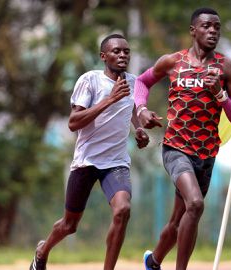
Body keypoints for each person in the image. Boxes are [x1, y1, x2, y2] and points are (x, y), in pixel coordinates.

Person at [134, 7, 231, 270]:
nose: (212, 32)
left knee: (180, 219)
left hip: (206, 153)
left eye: (217, 28)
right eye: (207, 26)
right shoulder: (173, 62)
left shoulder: (226, 67)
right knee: (195, 205)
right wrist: (141, 110)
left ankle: (152, 262)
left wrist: (219, 94)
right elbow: (141, 83)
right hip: (176, 147)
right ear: (193, 30)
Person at [29, 34, 149, 270]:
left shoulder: (134, 83)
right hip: (86, 162)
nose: (123, 55)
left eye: (126, 51)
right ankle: (42, 251)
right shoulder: (90, 81)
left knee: (123, 210)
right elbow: (73, 122)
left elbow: (133, 108)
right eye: (116, 51)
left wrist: (140, 129)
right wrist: (109, 99)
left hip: (115, 162)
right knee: (69, 225)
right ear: (103, 56)